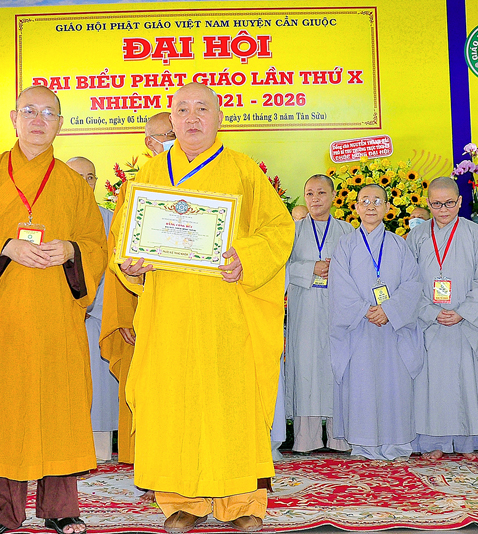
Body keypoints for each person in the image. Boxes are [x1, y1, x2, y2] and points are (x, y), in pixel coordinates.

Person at [111, 82, 293, 533]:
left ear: (219, 117)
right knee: (173, 403)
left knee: (232, 403)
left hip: (226, 313)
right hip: (168, 314)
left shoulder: (243, 170)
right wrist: (130, 265)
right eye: (182, 109)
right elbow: (123, 242)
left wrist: (244, 257)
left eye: (202, 109)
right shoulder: (149, 175)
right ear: (171, 119)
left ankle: (242, 501)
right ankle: (182, 499)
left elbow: (278, 229)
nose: (192, 118)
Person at [0, 85, 107, 534]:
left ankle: (60, 508)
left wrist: (71, 250)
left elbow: (97, 243)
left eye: (48, 113)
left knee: (58, 407)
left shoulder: (73, 184)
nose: (39, 119)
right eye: (29, 111)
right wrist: (6, 246)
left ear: (60, 123)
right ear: (14, 118)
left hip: (55, 314)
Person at [100, 113, 177, 471]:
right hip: (145, 305)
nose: (175, 139)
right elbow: (117, 254)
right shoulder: (134, 188)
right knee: (147, 387)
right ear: (150, 142)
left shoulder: (205, 182)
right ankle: (148, 466)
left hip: (192, 304)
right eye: (168, 134)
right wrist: (122, 316)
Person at [328, 184, 423, 461]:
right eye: (365, 201)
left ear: (388, 207)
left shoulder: (399, 244)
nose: (371, 206)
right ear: (356, 207)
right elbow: (339, 285)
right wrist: (365, 310)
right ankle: (363, 444)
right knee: (361, 385)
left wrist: (389, 310)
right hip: (358, 328)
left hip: (392, 329)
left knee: (394, 385)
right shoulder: (345, 245)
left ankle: (396, 444)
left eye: (377, 201)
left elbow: (412, 284)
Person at [406, 177, 478, 461]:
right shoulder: (417, 237)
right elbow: (408, 282)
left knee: (467, 382)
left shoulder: (474, 233)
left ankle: (468, 443)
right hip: (429, 322)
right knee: (431, 386)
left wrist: (463, 311)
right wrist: (430, 311)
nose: (443, 209)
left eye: (449, 203)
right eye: (436, 204)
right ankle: (433, 442)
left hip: (466, 321)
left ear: (459, 202)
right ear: (428, 203)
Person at [285, 175, 354, 452]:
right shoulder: (293, 231)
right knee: (306, 367)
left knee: (337, 367)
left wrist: (336, 270)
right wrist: (309, 268)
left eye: (321, 193)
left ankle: (340, 437)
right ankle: (306, 438)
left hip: (338, 308)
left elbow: (358, 267)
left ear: (333, 196)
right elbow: (281, 267)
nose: (315, 199)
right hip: (305, 308)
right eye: (310, 193)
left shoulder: (347, 230)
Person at [67, 156, 120, 463]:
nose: (84, 183)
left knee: (99, 384)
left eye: (90, 177)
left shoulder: (111, 219)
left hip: (99, 315)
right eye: (77, 177)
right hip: (61, 314)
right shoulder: (51, 216)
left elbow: (115, 269)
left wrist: (92, 306)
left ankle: (100, 449)